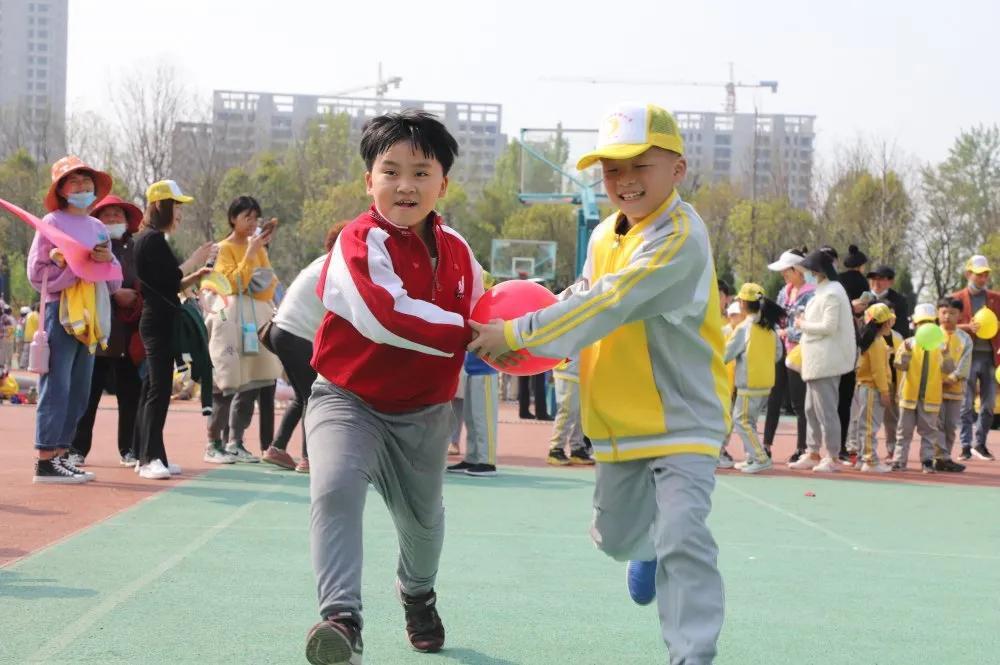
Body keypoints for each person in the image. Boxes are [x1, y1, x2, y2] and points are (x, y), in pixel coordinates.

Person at [468, 102, 729, 664]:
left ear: (677, 169)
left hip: (685, 420)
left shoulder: (681, 238)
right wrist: (526, 328)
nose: (625, 180)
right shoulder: (606, 234)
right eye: (612, 169)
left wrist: (514, 332)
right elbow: (585, 292)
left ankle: (691, 655)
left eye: (640, 165)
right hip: (616, 423)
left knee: (685, 537)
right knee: (615, 540)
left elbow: (611, 301)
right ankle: (646, 549)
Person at [303, 110, 484, 664]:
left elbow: (486, 311)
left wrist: (530, 332)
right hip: (346, 398)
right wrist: (472, 333)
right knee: (333, 489)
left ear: (442, 183)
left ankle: (418, 593)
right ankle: (343, 620)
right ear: (369, 180)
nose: (406, 184)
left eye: (421, 171)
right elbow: (387, 315)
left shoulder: (458, 250)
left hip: (425, 412)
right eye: (391, 170)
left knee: (423, 524)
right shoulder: (357, 242)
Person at [27, 156, 121, 484]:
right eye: (74, 182)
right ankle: (45, 458)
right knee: (57, 384)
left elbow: (113, 281)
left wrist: (106, 261)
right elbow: (35, 274)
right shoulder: (51, 222)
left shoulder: (97, 227)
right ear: (62, 190)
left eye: (86, 181)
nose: (82, 187)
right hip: (61, 311)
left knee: (81, 388)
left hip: (92, 313)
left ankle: (61, 454)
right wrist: (69, 268)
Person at [132, 180, 215, 480]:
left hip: (158, 319)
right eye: (176, 205)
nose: (179, 213)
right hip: (157, 322)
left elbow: (170, 282)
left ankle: (151, 454)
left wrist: (197, 273)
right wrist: (195, 260)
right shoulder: (151, 240)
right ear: (159, 205)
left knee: (152, 389)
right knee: (158, 390)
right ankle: (148, 457)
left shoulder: (152, 239)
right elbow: (170, 277)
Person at [262, 222, 347, 473]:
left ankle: (277, 448)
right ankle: (308, 457)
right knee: (314, 395)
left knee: (303, 395)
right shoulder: (339, 268)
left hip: (280, 331)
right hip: (295, 333)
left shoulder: (323, 262)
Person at [205, 195, 282, 463]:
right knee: (227, 379)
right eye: (247, 217)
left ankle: (236, 440)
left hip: (255, 319)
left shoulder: (259, 248)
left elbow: (269, 284)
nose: (252, 223)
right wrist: (249, 258)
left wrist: (250, 272)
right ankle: (214, 442)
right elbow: (232, 283)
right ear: (233, 219)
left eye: (256, 218)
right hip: (229, 320)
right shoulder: (224, 248)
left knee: (252, 380)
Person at [69, 195, 144, 467]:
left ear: (127, 222)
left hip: (130, 333)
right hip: (98, 329)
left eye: (118, 215)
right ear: (97, 221)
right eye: (107, 215)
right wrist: (115, 295)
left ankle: (130, 449)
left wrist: (135, 295)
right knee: (87, 395)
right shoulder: (90, 246)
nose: (112, 219)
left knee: (131, 395)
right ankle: (77, 448)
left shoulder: (138, 249)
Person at [788, 249, 856, 473]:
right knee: (811, 409)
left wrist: (802, 325)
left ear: (817, 271)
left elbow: (828, 326)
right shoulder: (823, 290)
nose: (805, 275)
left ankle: (833, 455)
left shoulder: (832, 293)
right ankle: (813, 452)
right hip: (816, 359)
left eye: (807, 271)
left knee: (826, 410)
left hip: (826, 360)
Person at [723, 283, 783, 474]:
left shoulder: (743, 328)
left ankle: (759, 457)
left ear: (742, 303)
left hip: (748, 383)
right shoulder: (769, 328)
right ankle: (751, 457)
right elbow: (778, 354)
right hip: (765, 383)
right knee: (751, 421)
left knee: (741, 420)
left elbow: (727, 353)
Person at [891, 304, 957, 473]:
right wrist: (905, 352)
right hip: (908, 395)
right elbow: (899, 365)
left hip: (930, 397)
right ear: (915, 324)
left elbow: (949, 369)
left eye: (928, 322)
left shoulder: (940, 346)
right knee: (903, 431)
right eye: (921, 323)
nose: (925, 326)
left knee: (929, 432)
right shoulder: (908, 343)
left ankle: (927, 461)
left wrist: (947, 353)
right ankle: (899, 460)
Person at [763, 248, 814, 461]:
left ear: (797, 269)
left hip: (799, 352)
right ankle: (765, 445)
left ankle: (802, 448)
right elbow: (778, 316)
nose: (783, 274)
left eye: (786, 270)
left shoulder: (812, 294)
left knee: (798, 402)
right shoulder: (784, 291)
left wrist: (789, 332)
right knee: (774, 398)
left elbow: (809, 324)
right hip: (781, 349)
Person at [950, 255, 1000, 461]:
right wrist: (967, 327)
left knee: (989, 404)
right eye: (979, 274)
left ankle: (980, 444)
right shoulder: (956, 299)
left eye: (986, 274)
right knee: (966, 403)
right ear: (968, 273)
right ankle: (965, 445)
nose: (983, 278)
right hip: (966, 356)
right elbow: (947, 326)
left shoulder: (996, 299)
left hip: (990, 357)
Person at [845, 303, 895, 472]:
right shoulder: (877, 343)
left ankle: (861, 458)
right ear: (885, 323)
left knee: (862, 424)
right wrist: (885, 391)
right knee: (870, 426)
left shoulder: (870, 341)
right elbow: (878, 370)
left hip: (863, 387)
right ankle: (870, 460)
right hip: (872, 388)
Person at [446, 351, 501, 476]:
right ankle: (472, 458)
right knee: (471, 419)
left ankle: (488, 462)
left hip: (486, 371)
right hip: (471, 369)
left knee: (484, 420)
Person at [937, 297, 971, 471]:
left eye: (952, 313)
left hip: (955, 389)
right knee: (937, 424)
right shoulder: (933, 334)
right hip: (934, 389)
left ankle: (945, 457)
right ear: (938, 313)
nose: (947, 316)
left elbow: (965, 362)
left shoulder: (965, 338)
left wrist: (953, 377)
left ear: (960, 315)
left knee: (950, 425)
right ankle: (939, 457)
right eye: (944, 312)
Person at [545, 354, 594, 466]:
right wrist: (564, 364)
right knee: (567, 411)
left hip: (581, 372)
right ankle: (555, 449)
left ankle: (577, 448)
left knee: (581, 413)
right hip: (567, 371)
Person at [867, 265, 910, 339]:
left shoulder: (899, 301)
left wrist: (888, 334)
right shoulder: (861, 297)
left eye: (880, 278)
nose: (876, 282)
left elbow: (903, 330)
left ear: (891, 282)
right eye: (873, 278)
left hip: (888, 346)